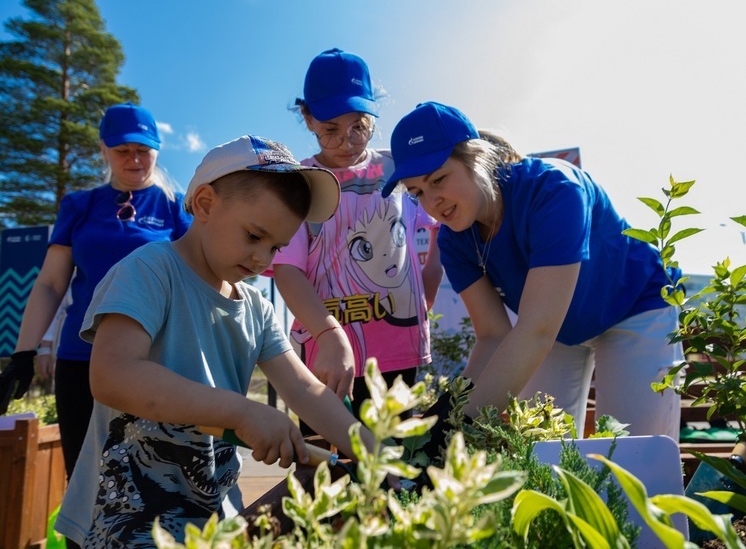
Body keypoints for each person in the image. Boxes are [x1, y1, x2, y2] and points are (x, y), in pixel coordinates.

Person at [55, 134, 394, 547]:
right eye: (254, 236)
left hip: (211, 522)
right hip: (121, 520)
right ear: (205, 204)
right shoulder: (149, 271)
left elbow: (304, 390)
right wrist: (242, 413)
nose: (263, 260)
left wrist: (379, 456)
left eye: (276, 247)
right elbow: (113, 376)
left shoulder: (255, 308)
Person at [382, 101, 682, 442]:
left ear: (476, 159)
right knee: (542, 454)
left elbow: (536, 330)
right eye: (418, 192)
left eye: (439, 179)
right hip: (556, 331)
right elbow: (493, 336)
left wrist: (461, 428)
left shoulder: (554, 188)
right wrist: (452, 410)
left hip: (634, 308)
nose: (432, 201)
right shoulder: (453, 241)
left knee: (634, 456)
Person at [0, 102, 193, 496]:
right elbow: (51, 283)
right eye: (122, 150)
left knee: (153, 482)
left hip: (154, 362)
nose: (134, 159)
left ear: (157, 149)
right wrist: (24, 353)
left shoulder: (176, 207)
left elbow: (196, 279)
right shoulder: (79, 205)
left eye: (143, 149)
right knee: (86, 483)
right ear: (103, 150)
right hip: (81, 362)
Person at [268, 48, 442, 425]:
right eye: (331, 130)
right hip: (327, 356)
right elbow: (287, 271)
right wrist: (328, 335)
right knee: (327, 472)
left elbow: (437, 224)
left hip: (398, 348)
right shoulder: (299, 185)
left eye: (359, 127)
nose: (347, 142)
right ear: (308, 118)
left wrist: (427, 287)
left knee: (395, 467)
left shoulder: (398, 170)